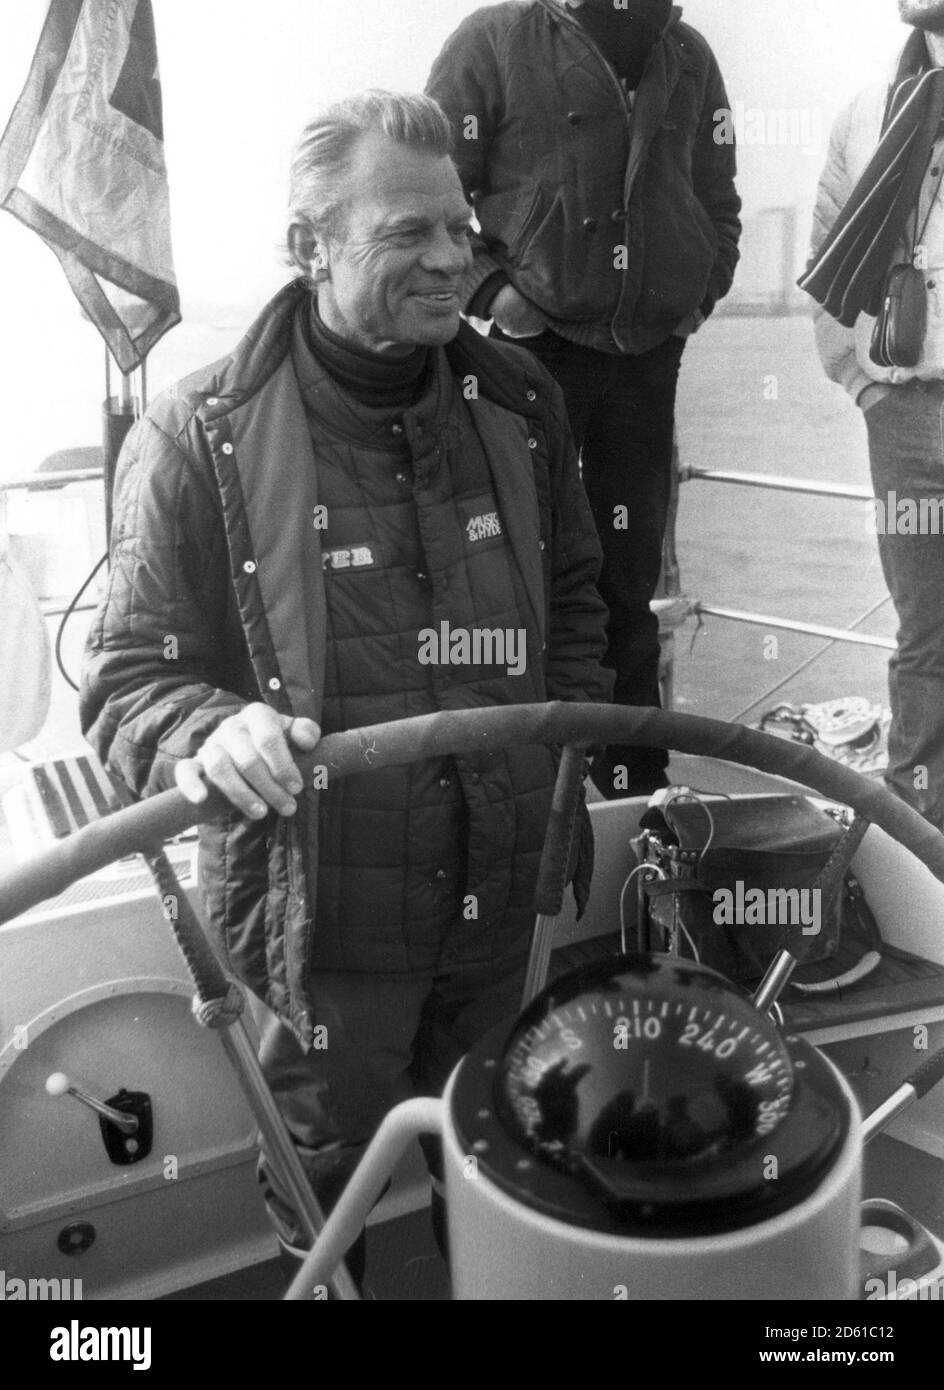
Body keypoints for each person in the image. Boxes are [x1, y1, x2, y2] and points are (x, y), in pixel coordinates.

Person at [79, 90, 613, 1287]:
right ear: (308, 247)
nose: (448, 258)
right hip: (320, 921)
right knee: (325, 1182)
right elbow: (127, 682)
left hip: (501, 900)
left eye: (459, 229)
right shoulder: (193, 434)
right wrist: (213, 730)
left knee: (502, 1154)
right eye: (405, 233)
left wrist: (557, 778)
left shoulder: (522, 404)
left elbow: (578, 606)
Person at [426, 0, 741, 799]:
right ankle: (523, 783)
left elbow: (718, 196)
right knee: (516, 573)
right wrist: (492, 291)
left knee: (627, 581)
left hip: (646, 356)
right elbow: (432, 190)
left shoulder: (689, 54)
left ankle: (636, 786)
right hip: (531, 353)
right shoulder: (491, 42)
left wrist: (695, 298)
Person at [803, 1, 944, 832]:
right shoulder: (867, 111)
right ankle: (923, 837)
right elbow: (826, 263)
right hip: (906, 415)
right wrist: (865, 388)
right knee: (926, 637)